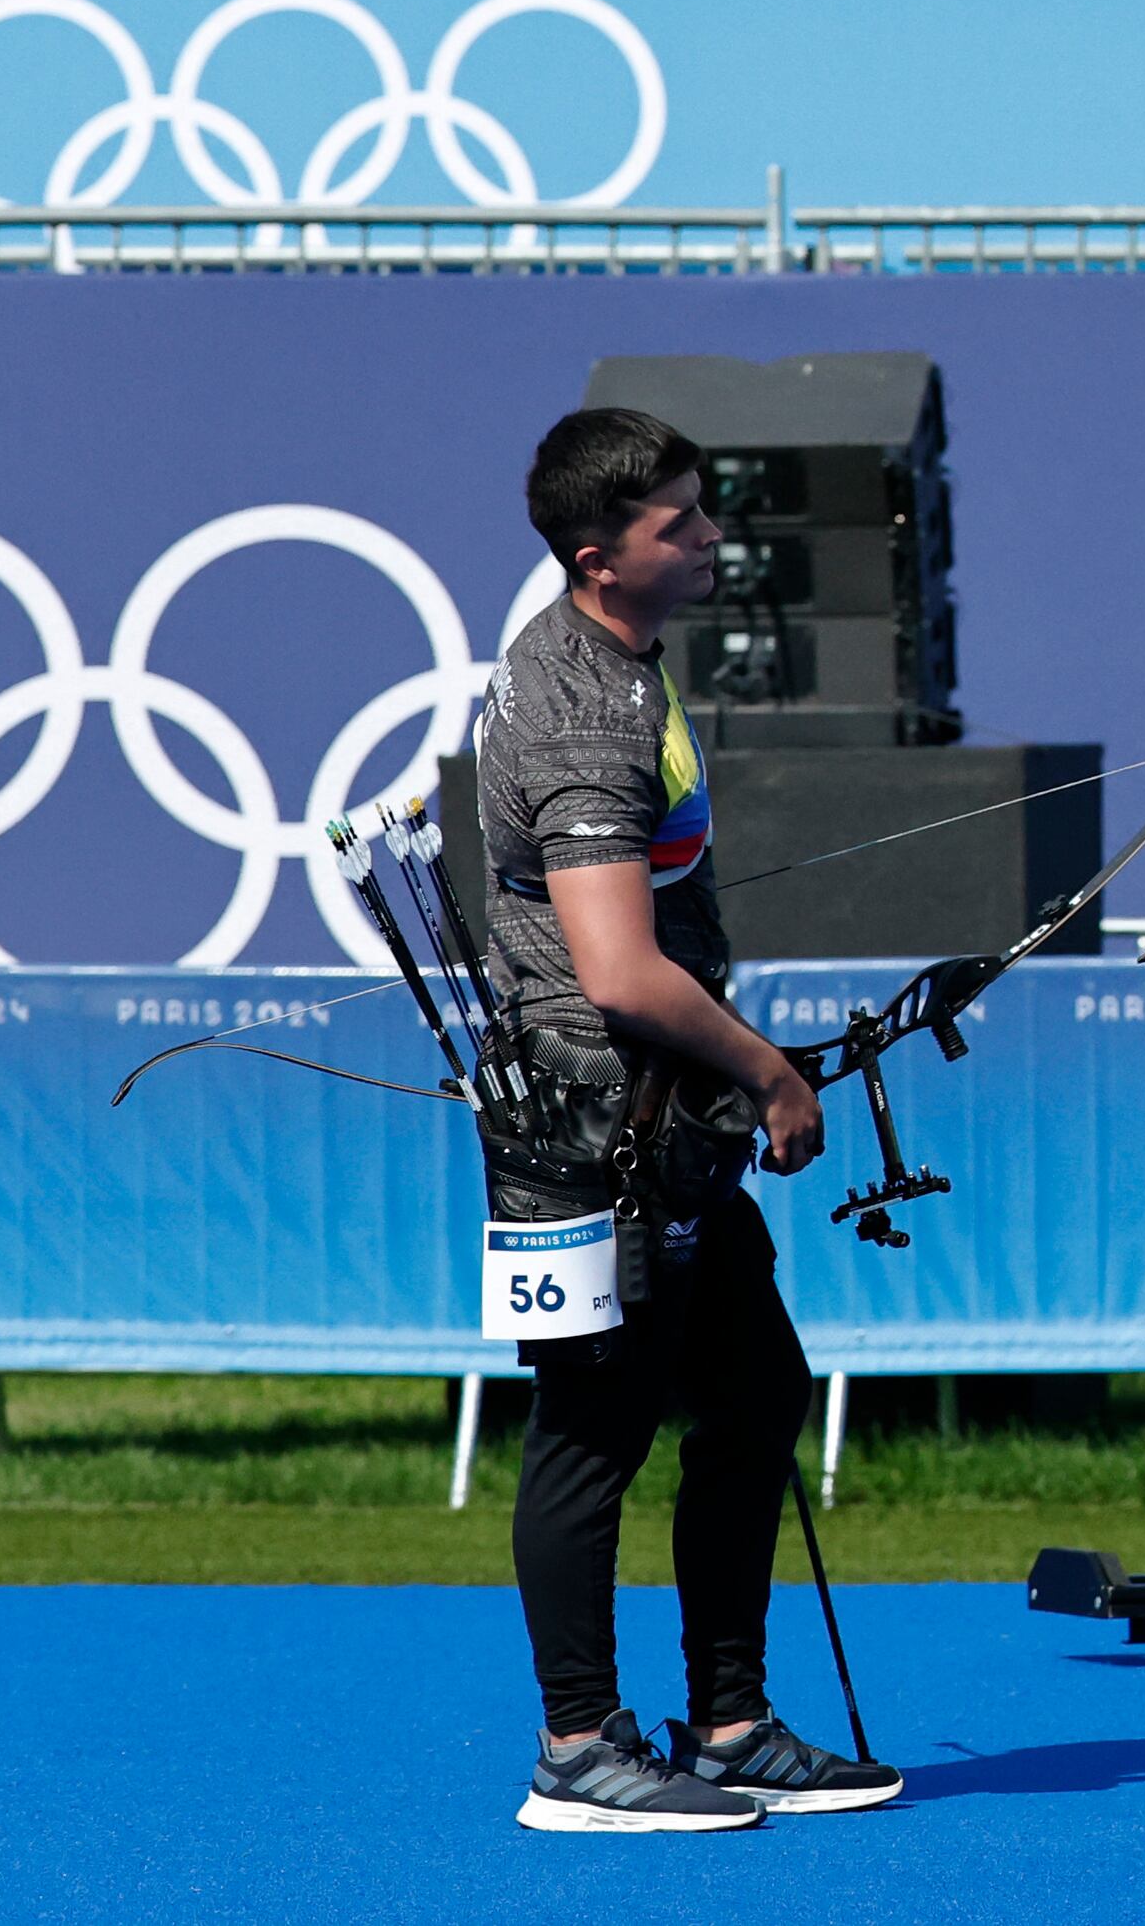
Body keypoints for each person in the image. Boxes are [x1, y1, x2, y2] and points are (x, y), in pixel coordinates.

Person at [483, 405, 897, 1835]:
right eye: (682, 521)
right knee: (593, 1429)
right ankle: (579, 1748)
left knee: (757, 1389)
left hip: (664, 1126)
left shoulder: (624, 668)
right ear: (600, 554)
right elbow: (617, 967)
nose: (713, 539)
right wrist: (772, 1073)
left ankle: (725, 1720)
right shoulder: (581, 701)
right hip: (602, 1129)